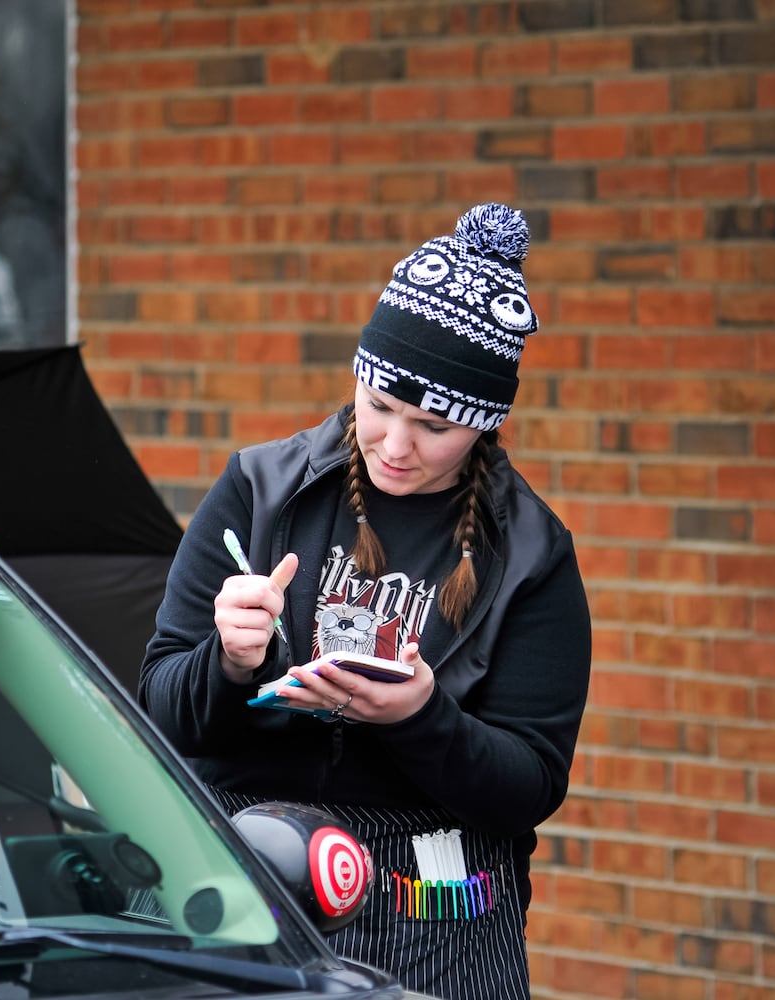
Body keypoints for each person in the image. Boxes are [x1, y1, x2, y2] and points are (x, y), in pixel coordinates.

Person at [138, 202, 592, 1000]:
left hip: (436, 903)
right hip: (246, 866)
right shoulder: (258, 489)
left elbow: (531, 782)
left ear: (484, 425)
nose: (394, 444)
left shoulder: (531, 555)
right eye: (379, 405)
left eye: (432, 426)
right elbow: (162, 707)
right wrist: (230, 661)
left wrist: (420, 718)